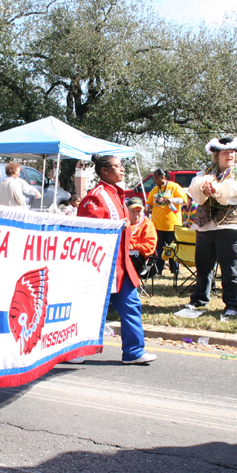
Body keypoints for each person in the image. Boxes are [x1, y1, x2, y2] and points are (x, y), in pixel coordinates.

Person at [78, 154, 156, 365]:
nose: (123, 170)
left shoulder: (116, 195)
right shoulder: (95, 197)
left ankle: (134, 352)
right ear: (104, 170)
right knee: (90, 309)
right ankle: (76, 351)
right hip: (101, 266)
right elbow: (87, 231)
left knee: (131, 306)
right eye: (118, 166)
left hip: (122, 266)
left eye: (123, 166)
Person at [185, 137, 237, 317]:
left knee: (230, 268)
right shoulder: (206, 172)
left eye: (232, 152)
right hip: (206, 226)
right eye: (225, 152)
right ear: (217, 155)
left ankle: (232, 304)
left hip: (231, 226)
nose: (229, 155)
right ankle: (199, 299)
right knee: (203, 266)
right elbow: (194, 190)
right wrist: (204, 189)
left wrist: (218, 189)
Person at [146, 169, 187, 276]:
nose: (154, 181)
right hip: (158, 224)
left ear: (162, 177)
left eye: (156, 179)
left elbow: (184, 200)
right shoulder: (155, 190)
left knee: (173, 248)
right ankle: (158, 269)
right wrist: (146, 208)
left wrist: (172, 200)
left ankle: (175, 269)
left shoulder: (174, 187)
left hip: (172, 225)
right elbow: (149, 203)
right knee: (158, 248)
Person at [127, 197, 157, 274]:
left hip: (139, 258)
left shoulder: (147, 224)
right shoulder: (123, 223)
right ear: (127, 212)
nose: (136, 214)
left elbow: (150, 247)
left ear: (142, 211)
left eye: (138, 211)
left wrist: (132, 247)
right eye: (133, 211)